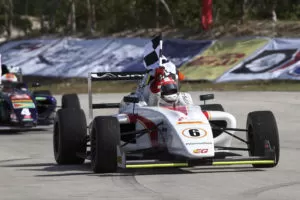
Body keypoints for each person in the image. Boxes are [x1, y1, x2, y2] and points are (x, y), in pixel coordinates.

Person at [137, 35, 192, 106]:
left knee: (185, 96)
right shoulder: (150, 74)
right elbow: (145, 93)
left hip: (172, 97)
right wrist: (157, 80)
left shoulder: (171, 69)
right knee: (145, 100)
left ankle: (187, 108)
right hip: (149, 101)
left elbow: (182, 78)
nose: (164, 64)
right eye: (162, 62)